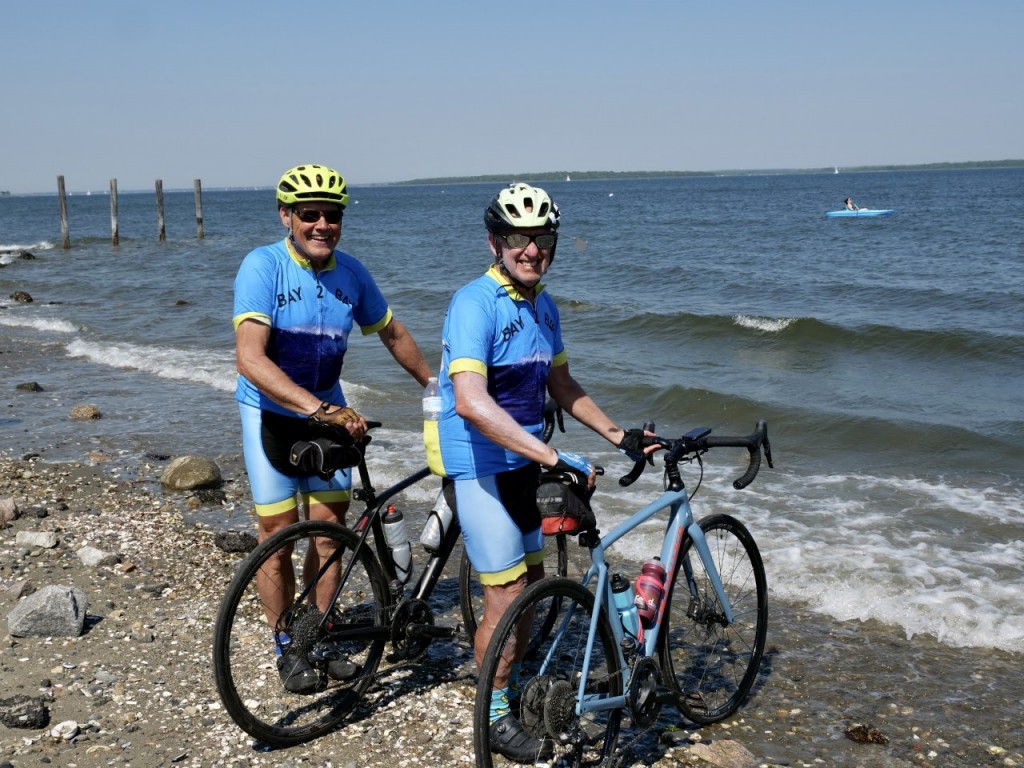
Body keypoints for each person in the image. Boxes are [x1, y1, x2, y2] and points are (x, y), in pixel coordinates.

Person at [430, 183, 651, 762]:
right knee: (504, 595)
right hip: (479, 467)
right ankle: (494, 714)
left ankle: (506, 688)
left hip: (523, 465)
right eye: (519, 239)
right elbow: (473, 402)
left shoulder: (543, 306)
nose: (532, 249)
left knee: (526, 591)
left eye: (542, 238)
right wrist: (555, 459)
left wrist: (620, 436)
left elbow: (563, 385)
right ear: (495, 241)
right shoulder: (474, 303)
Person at [233, 163, 432, 693]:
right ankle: (286, 645)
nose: (322, 224)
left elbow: (392, 332)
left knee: (329, 536)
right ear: (287, 217)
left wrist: (436, 386)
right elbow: (250, 360)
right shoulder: (264, 267)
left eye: (331, 215)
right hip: (270, 415)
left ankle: (316, 634)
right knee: (276, 538)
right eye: (309, 215)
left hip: (328, 411)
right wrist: (319, 411)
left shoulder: (352, 274)